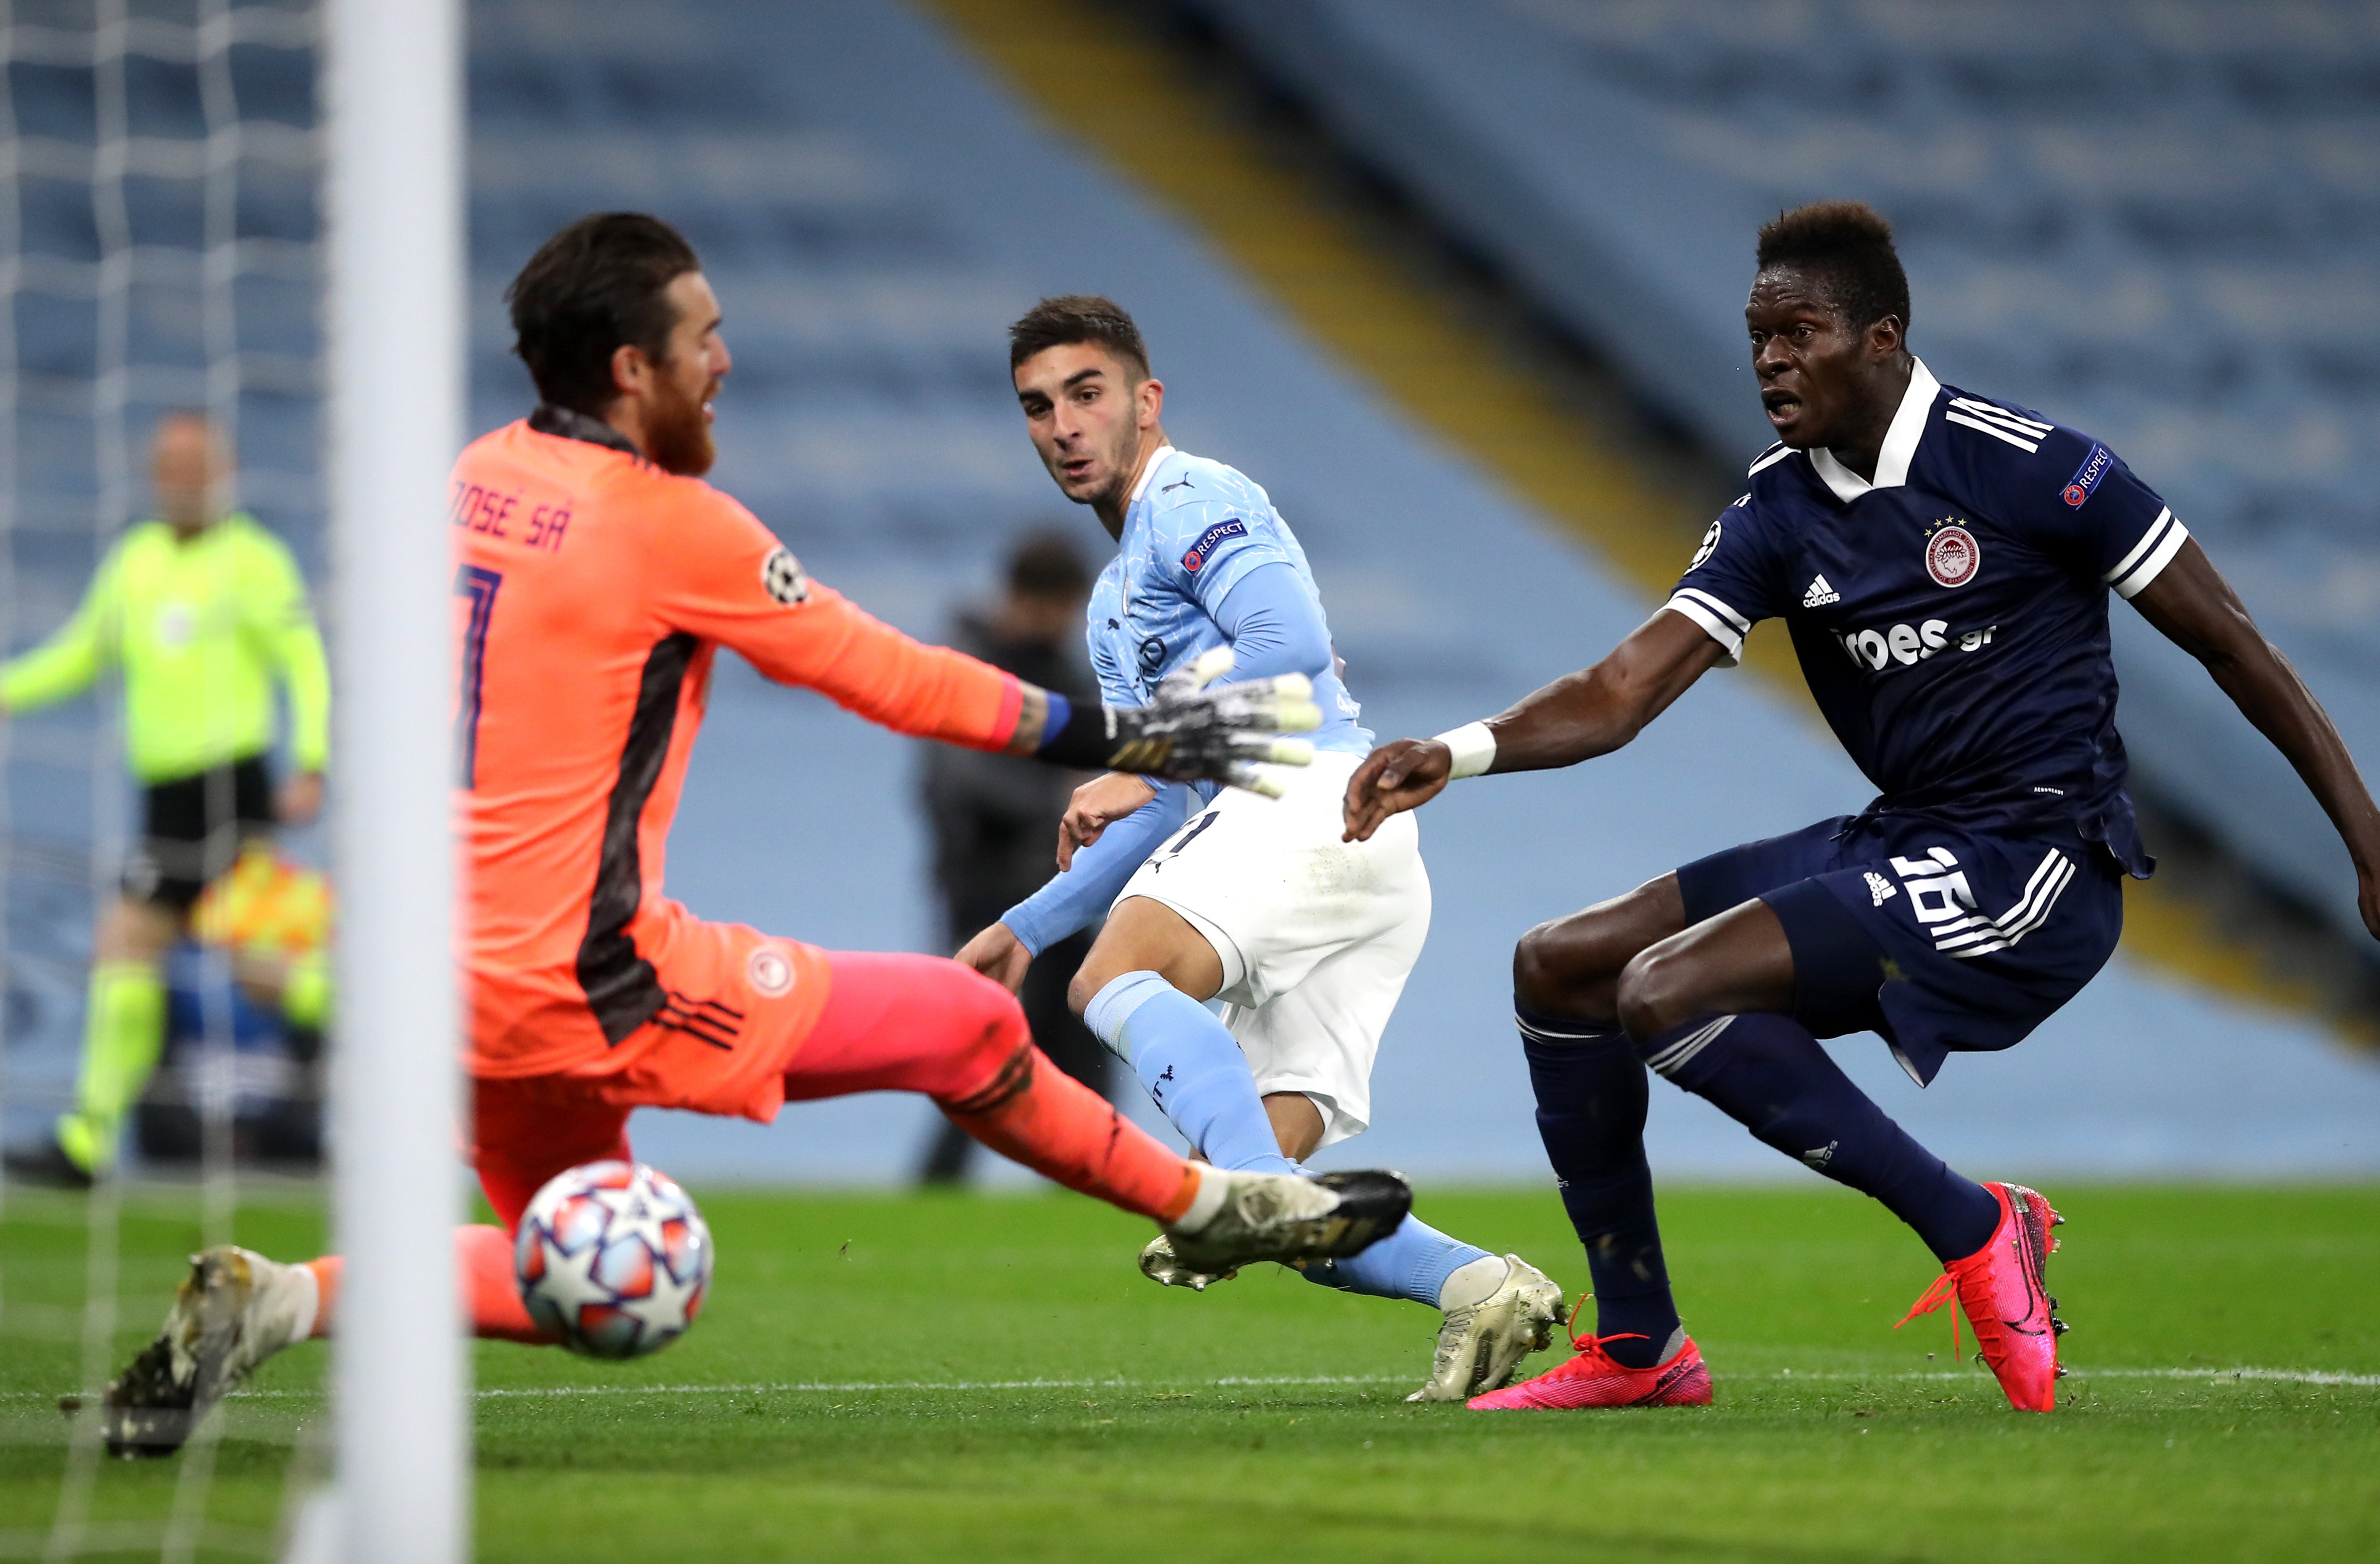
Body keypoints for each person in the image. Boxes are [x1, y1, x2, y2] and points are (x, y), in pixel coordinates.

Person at [96, 214, 1409, 1457]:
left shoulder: (480, 475)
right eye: (700, 339)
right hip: (588, 973)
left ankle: (279, 1302)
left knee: (570, 1265)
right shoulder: (665, 524)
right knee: (962, 1028)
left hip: (445, 975)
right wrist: (1122, 743)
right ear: (631, 368)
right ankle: (1223, 1207)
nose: (723, 363)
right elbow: (893, 677)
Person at [1343, 202, 2380, 1413]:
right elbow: (1619, 690)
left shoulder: (2032, 468)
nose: (1767, 358)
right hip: (1909, 831)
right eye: (1756, 335)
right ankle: (1640, 1346)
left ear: (1880, 337)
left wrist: (2378, 860)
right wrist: (1457, 749)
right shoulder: (1774, 510)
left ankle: (1974, 1224)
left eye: (1796, 330)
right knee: (1558, 964)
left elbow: (2234, 647)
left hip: (2038, 856)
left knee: (1663, 991)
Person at [953, 297, 1569, 1404]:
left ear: (1145, 401)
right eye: (1037, 407)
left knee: (1122, 986)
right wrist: (1023, 929)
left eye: (1086, 393)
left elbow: (1288, 646)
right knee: (1282, 1204)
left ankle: (1227, 1196)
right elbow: (1158, 805)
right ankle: (1483, 1284)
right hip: (1348, 854)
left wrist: (1143, 753)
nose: (1062, 425)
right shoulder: (1109, 601)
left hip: (1306, 799)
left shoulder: (1191, 495)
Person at [1, 412, 330, 1189]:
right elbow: (81, 651)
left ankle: (402, 1072)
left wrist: (313, 761)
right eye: (168, 465)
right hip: (164, 803)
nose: (180, 478)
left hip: (234, 788)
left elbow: (303, 662)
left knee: (263, 969)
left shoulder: (254, 560)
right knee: (126, 953)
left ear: (224, 470)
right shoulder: (135, 562)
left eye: (195, 463)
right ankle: (85, 1142)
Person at [913, 530, 1119, 1186]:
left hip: (1054, 894)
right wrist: (1057, 799)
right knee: (984, 1050)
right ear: (1021, 599)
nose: (1057, 624)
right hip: (982, 893)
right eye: (1053, 608)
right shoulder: (968, 664)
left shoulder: (1060, 667)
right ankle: (935, 1191)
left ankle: (1097, 1187)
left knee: (1083, 1053)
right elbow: (960, 780)